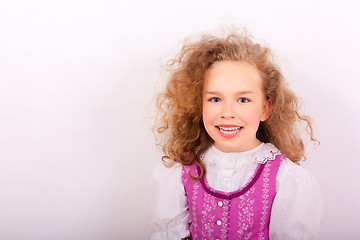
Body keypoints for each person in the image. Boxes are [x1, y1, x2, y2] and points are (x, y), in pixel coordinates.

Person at [151, 29, 321, 240]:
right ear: (199, 104)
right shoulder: (181, 172)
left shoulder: (285, 179)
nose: (227, 113)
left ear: (265, 109)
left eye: (243, 100)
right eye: (215, 99)